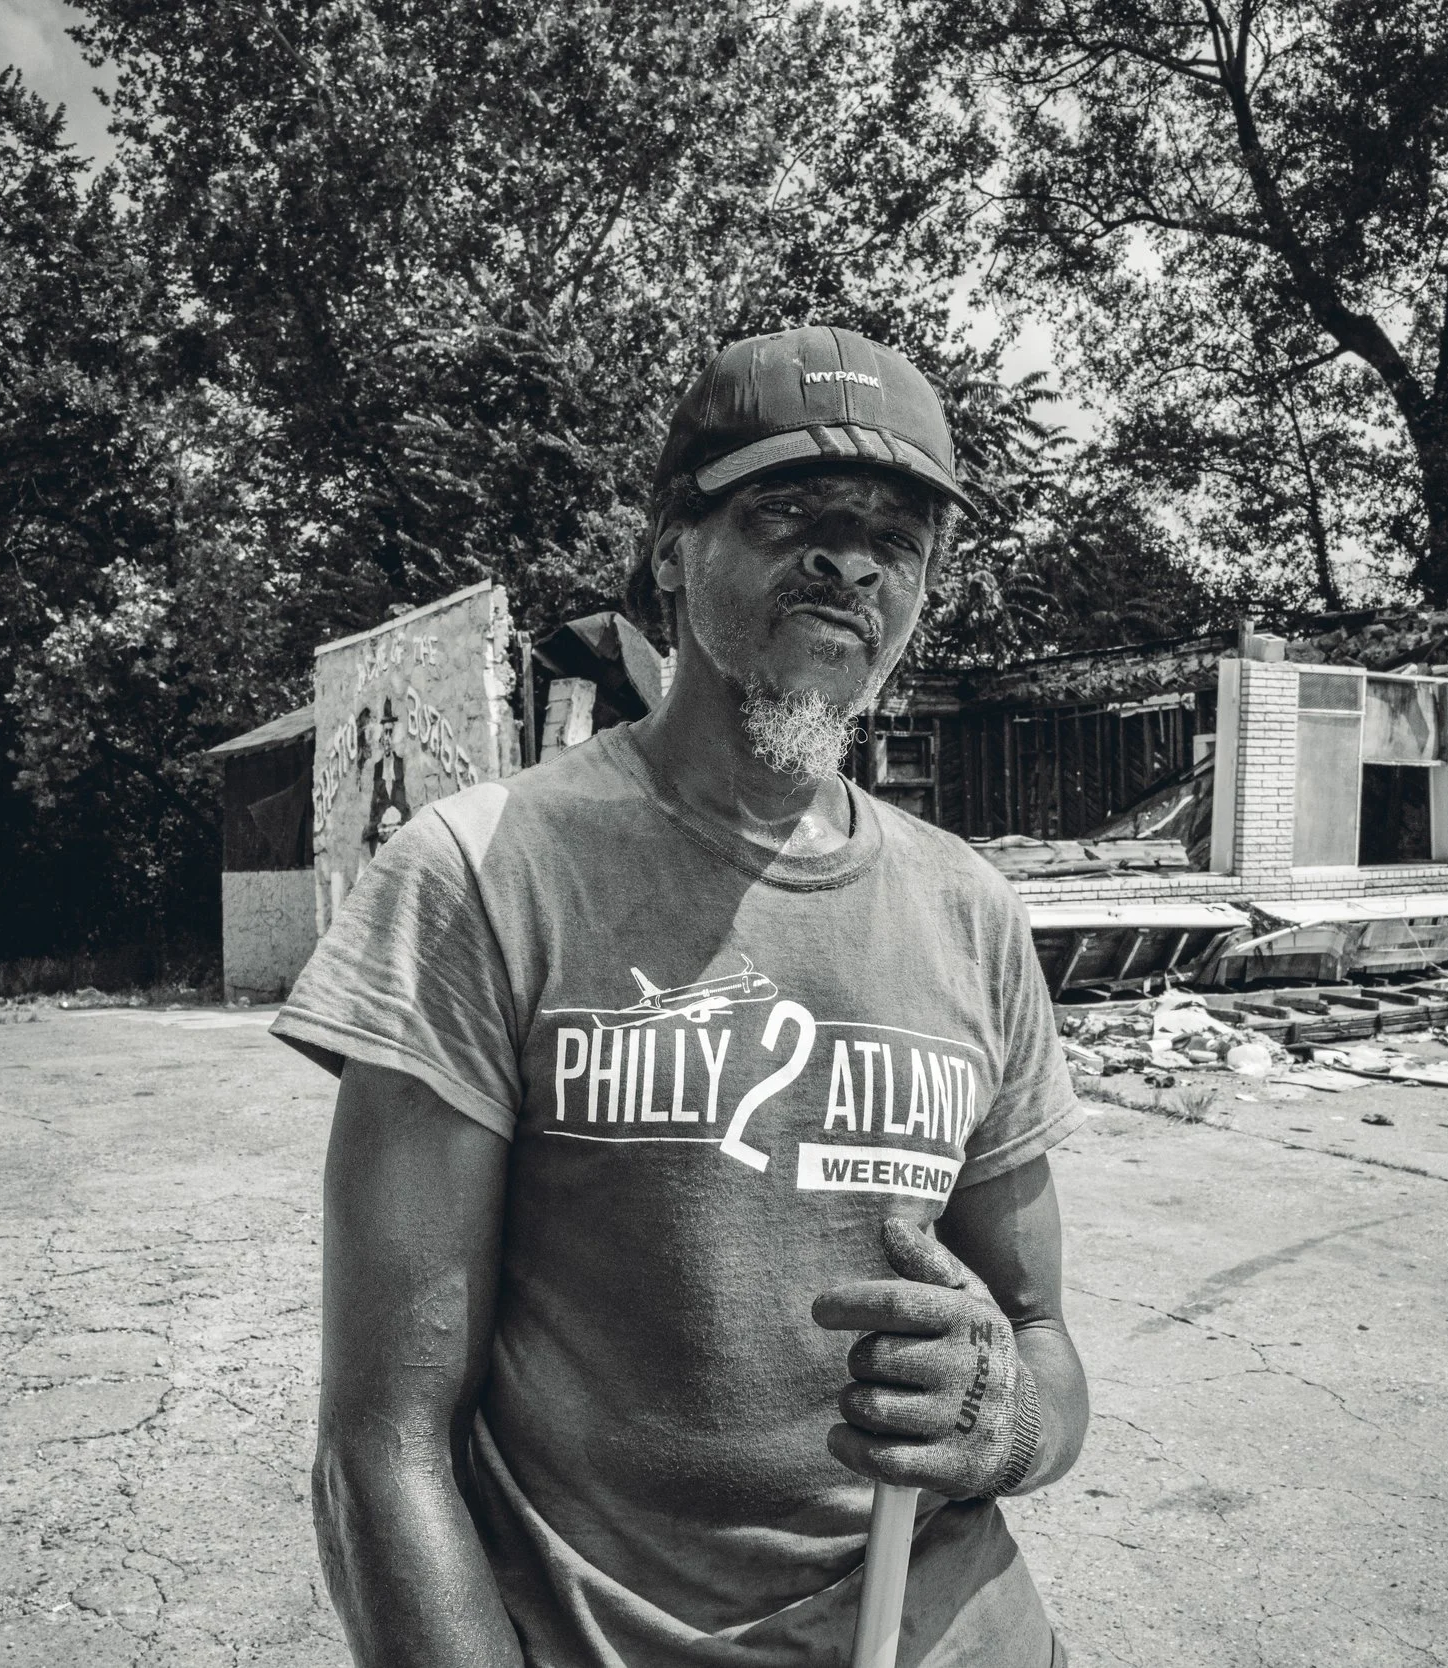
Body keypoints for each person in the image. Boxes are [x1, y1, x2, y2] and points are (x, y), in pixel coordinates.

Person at [274, 325, 1090, 1667]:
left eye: (895, 540)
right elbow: (381, 1447)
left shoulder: (971, 909)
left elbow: (1043, 1347)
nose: (848, 563)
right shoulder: (484, 875)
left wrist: (1005, 1423)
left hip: (952, 1623)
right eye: (790, 514)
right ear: (669, 549)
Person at [365, 699, 409, 857]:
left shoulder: (399, 764)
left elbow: (403, 795)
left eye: (390, 733)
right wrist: (375, 821)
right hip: (383, 824)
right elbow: (375, 797)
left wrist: (400, 816)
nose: (387, 739)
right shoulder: (378, 767)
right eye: (385, 733)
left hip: (399, 821)